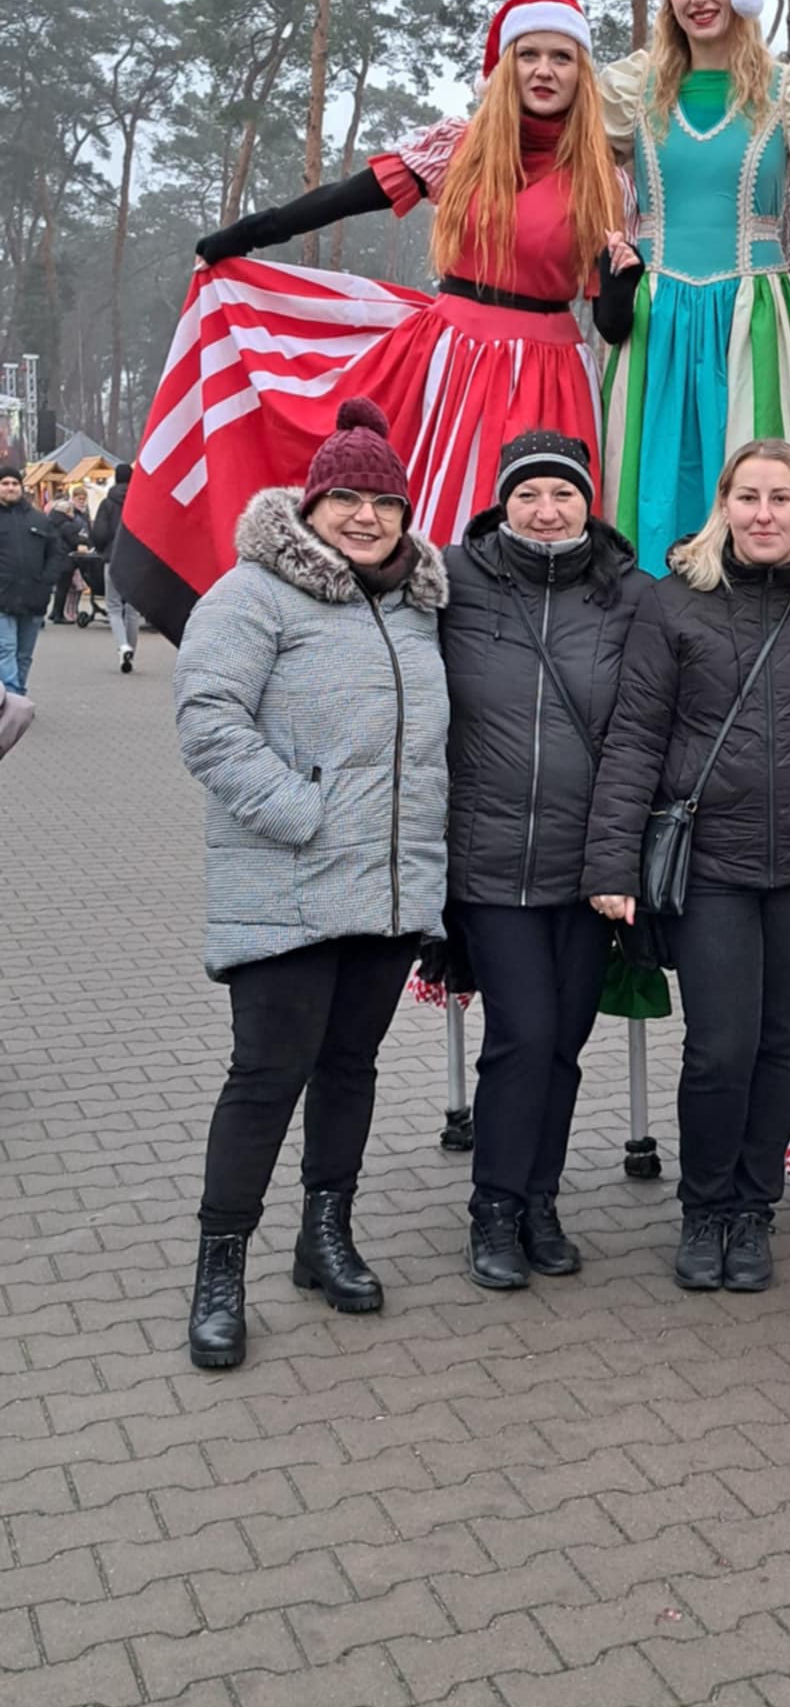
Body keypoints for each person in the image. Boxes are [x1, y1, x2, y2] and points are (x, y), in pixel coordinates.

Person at [124, 0, 639, 640]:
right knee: (421, 519)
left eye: (561, 57)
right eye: (529, 54)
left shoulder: (605, 177)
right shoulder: (461, 147)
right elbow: (350, 197)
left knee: (537, 528)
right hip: (453, 358)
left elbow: (614, 322)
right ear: (505, 66)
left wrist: (625, 281)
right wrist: (250, 233)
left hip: (553, 373)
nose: (544, 70)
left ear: (581, 72)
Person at [174, 398, 450, 1370]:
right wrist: (304, 812)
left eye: (384, 500)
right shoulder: (254, 595)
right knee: (266, 1076)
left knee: (350, 1068)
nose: (367, 516)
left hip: (384, 893)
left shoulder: (419, 604)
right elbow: (208, 716)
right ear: (314, 499)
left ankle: (323, 1234)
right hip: (289, 886)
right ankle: (220, 1270)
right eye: (348, 498)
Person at [585, 440, 790, 1292]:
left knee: (783, 1045)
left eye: (781, 498)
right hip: (711, 865)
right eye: (747, 497)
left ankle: (753, 1209)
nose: (763, 514)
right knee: (719, 1047)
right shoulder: (677, 604)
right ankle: (704, 1206)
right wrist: (611, 861)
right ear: (723, 506)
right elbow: (635, 738)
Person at [439, 429, 650, 1290]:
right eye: (529, 492)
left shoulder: (628, 596)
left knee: (563, 1043)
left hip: (587, 870)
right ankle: (493, 1206)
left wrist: (616, 863)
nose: (547, 508)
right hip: (489, 865)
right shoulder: (453, 580)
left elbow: (640, 734)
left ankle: (539, 1200)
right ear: (502, 499)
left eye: (563, 492)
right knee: (520, 1037)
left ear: (587, 501)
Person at [598, 0, 790, 575]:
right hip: (657, 315)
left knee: (759, 474)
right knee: (650, 475)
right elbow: (565, 155)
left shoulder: (788, 91)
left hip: (754, 314)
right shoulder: (635, 93)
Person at [0, 465, 63, 694]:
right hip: (3, 598)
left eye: (14, 483)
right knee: (6, 649)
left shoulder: (39, 519)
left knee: (24, 655)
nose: (10, 488)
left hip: (33, 598)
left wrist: (46, 582)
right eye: (5, 483)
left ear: (21, 487)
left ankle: (18, 693)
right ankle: (11, 700)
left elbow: (56, 552)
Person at [91, 463, 140, 671]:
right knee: (133, 608)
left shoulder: (107, 504)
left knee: (113, 606)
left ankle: (122, 645)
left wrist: (102, 549)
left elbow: (99, 533)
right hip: (136, 560)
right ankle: (131, 653)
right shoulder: (139, 501)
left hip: (112, 558)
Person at [47, 486, 91, 622]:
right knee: (63, 588)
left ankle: (55, 612)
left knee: (62, 587)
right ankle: (59, 615)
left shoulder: (56, 521)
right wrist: (87, 542)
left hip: (58, 556)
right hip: (66, 557)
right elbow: (74, 538)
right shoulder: (66, 524)